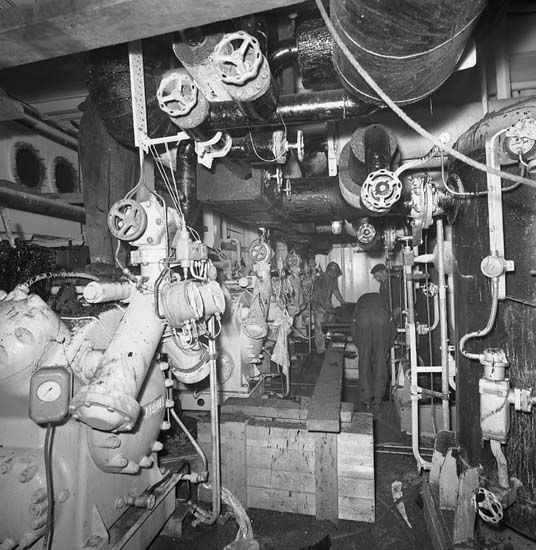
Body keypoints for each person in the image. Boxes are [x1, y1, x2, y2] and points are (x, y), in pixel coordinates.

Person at [350, 292, 395, 410]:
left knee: (364, 363)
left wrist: (360, 346)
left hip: (363, 318)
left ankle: (366, 399)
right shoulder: (383, 300)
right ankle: (378, 400)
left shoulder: (361, 300)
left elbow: (353, 326)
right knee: (380, 363)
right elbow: (392, 327)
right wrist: (387, 347)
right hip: (382, 318)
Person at [311, 261, 345, 353]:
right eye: (334, 274)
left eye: (336, 274)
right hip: (318, 305)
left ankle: (329, 345)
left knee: (330, 324)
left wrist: (343, 303)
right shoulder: (321, 279)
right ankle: (320, 350)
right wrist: (329, 309)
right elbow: (321, 297)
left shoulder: (333, 279)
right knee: (320, 328)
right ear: (329, 272)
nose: (335, 276)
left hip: (326, 304)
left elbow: (335, 290)